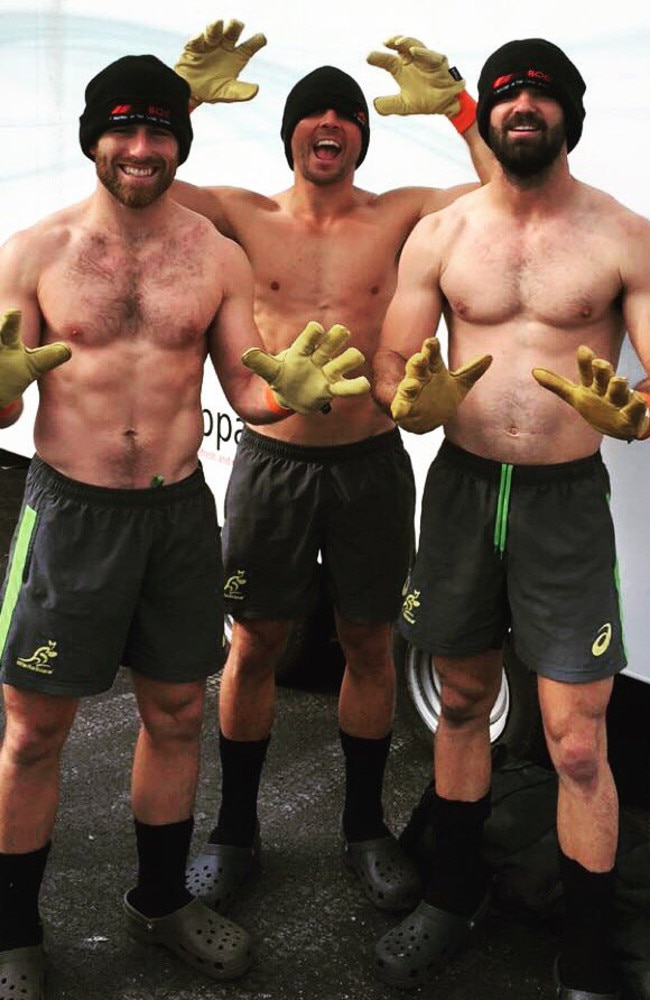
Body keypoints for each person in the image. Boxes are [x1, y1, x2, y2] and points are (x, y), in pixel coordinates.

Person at [0, 53, 369, 998]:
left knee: (173, 715)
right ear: (94, 139)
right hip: (70, 514)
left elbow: (248, 392)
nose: (141, 146)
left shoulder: (215, 255)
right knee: (34, 732)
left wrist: (290, 397)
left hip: (173, 515)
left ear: (180, 143)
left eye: (160, 129)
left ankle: (159, 902)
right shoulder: (34, 251)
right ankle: (12, 935)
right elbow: (4, 402)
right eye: (122, 128)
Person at [169, 18, 495, 923]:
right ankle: (234, 831)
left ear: (362, 134)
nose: (329, 124)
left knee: (368, 644)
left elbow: (503, 187)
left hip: (371, 465)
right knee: (255, 645)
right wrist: (180, 92)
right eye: (312, 113)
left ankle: (362, 829)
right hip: (273, 465)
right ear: (291, 136)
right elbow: (140, 181)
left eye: (345, 114)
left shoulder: (396, 215)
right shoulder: (243, 213)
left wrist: (461, 107)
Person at [371, 36, 650, 1000]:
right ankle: (451, 898)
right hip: (461, 488)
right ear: (485, 113)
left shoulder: (623, 234)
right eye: (506, 93)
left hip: (564, 504)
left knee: (576, 740)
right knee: (458, 702)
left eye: (541, 92)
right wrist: (409, 403)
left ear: (570, 112)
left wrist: (641, 417)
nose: (522, 105)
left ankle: (583, 964)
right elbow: (392, 365)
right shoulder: (444, 234)